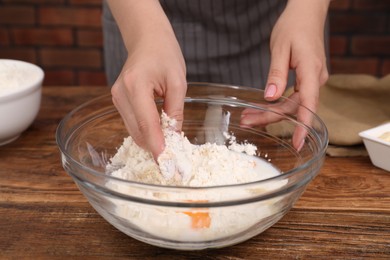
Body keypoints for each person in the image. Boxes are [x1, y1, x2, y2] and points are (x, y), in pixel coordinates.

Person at [102, 0, 330, 159]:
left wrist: (309, 9)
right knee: (144, 132)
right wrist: (144, 32)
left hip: (276, 23)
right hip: (142, 15)